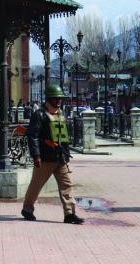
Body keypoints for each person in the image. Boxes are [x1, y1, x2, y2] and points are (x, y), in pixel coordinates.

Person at [21, 84, 84, 225]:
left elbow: (65, 137)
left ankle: (69, 214)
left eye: (60, 98)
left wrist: (66, 155)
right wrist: (36, 155)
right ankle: (27, 209)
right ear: (49, 99)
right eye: (56, 98)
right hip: (45, 158)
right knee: (36, 185)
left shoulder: (62, 114)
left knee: (67, 185)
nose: (59, 101)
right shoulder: (39, 115)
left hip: (61, 157)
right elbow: (33, 136)